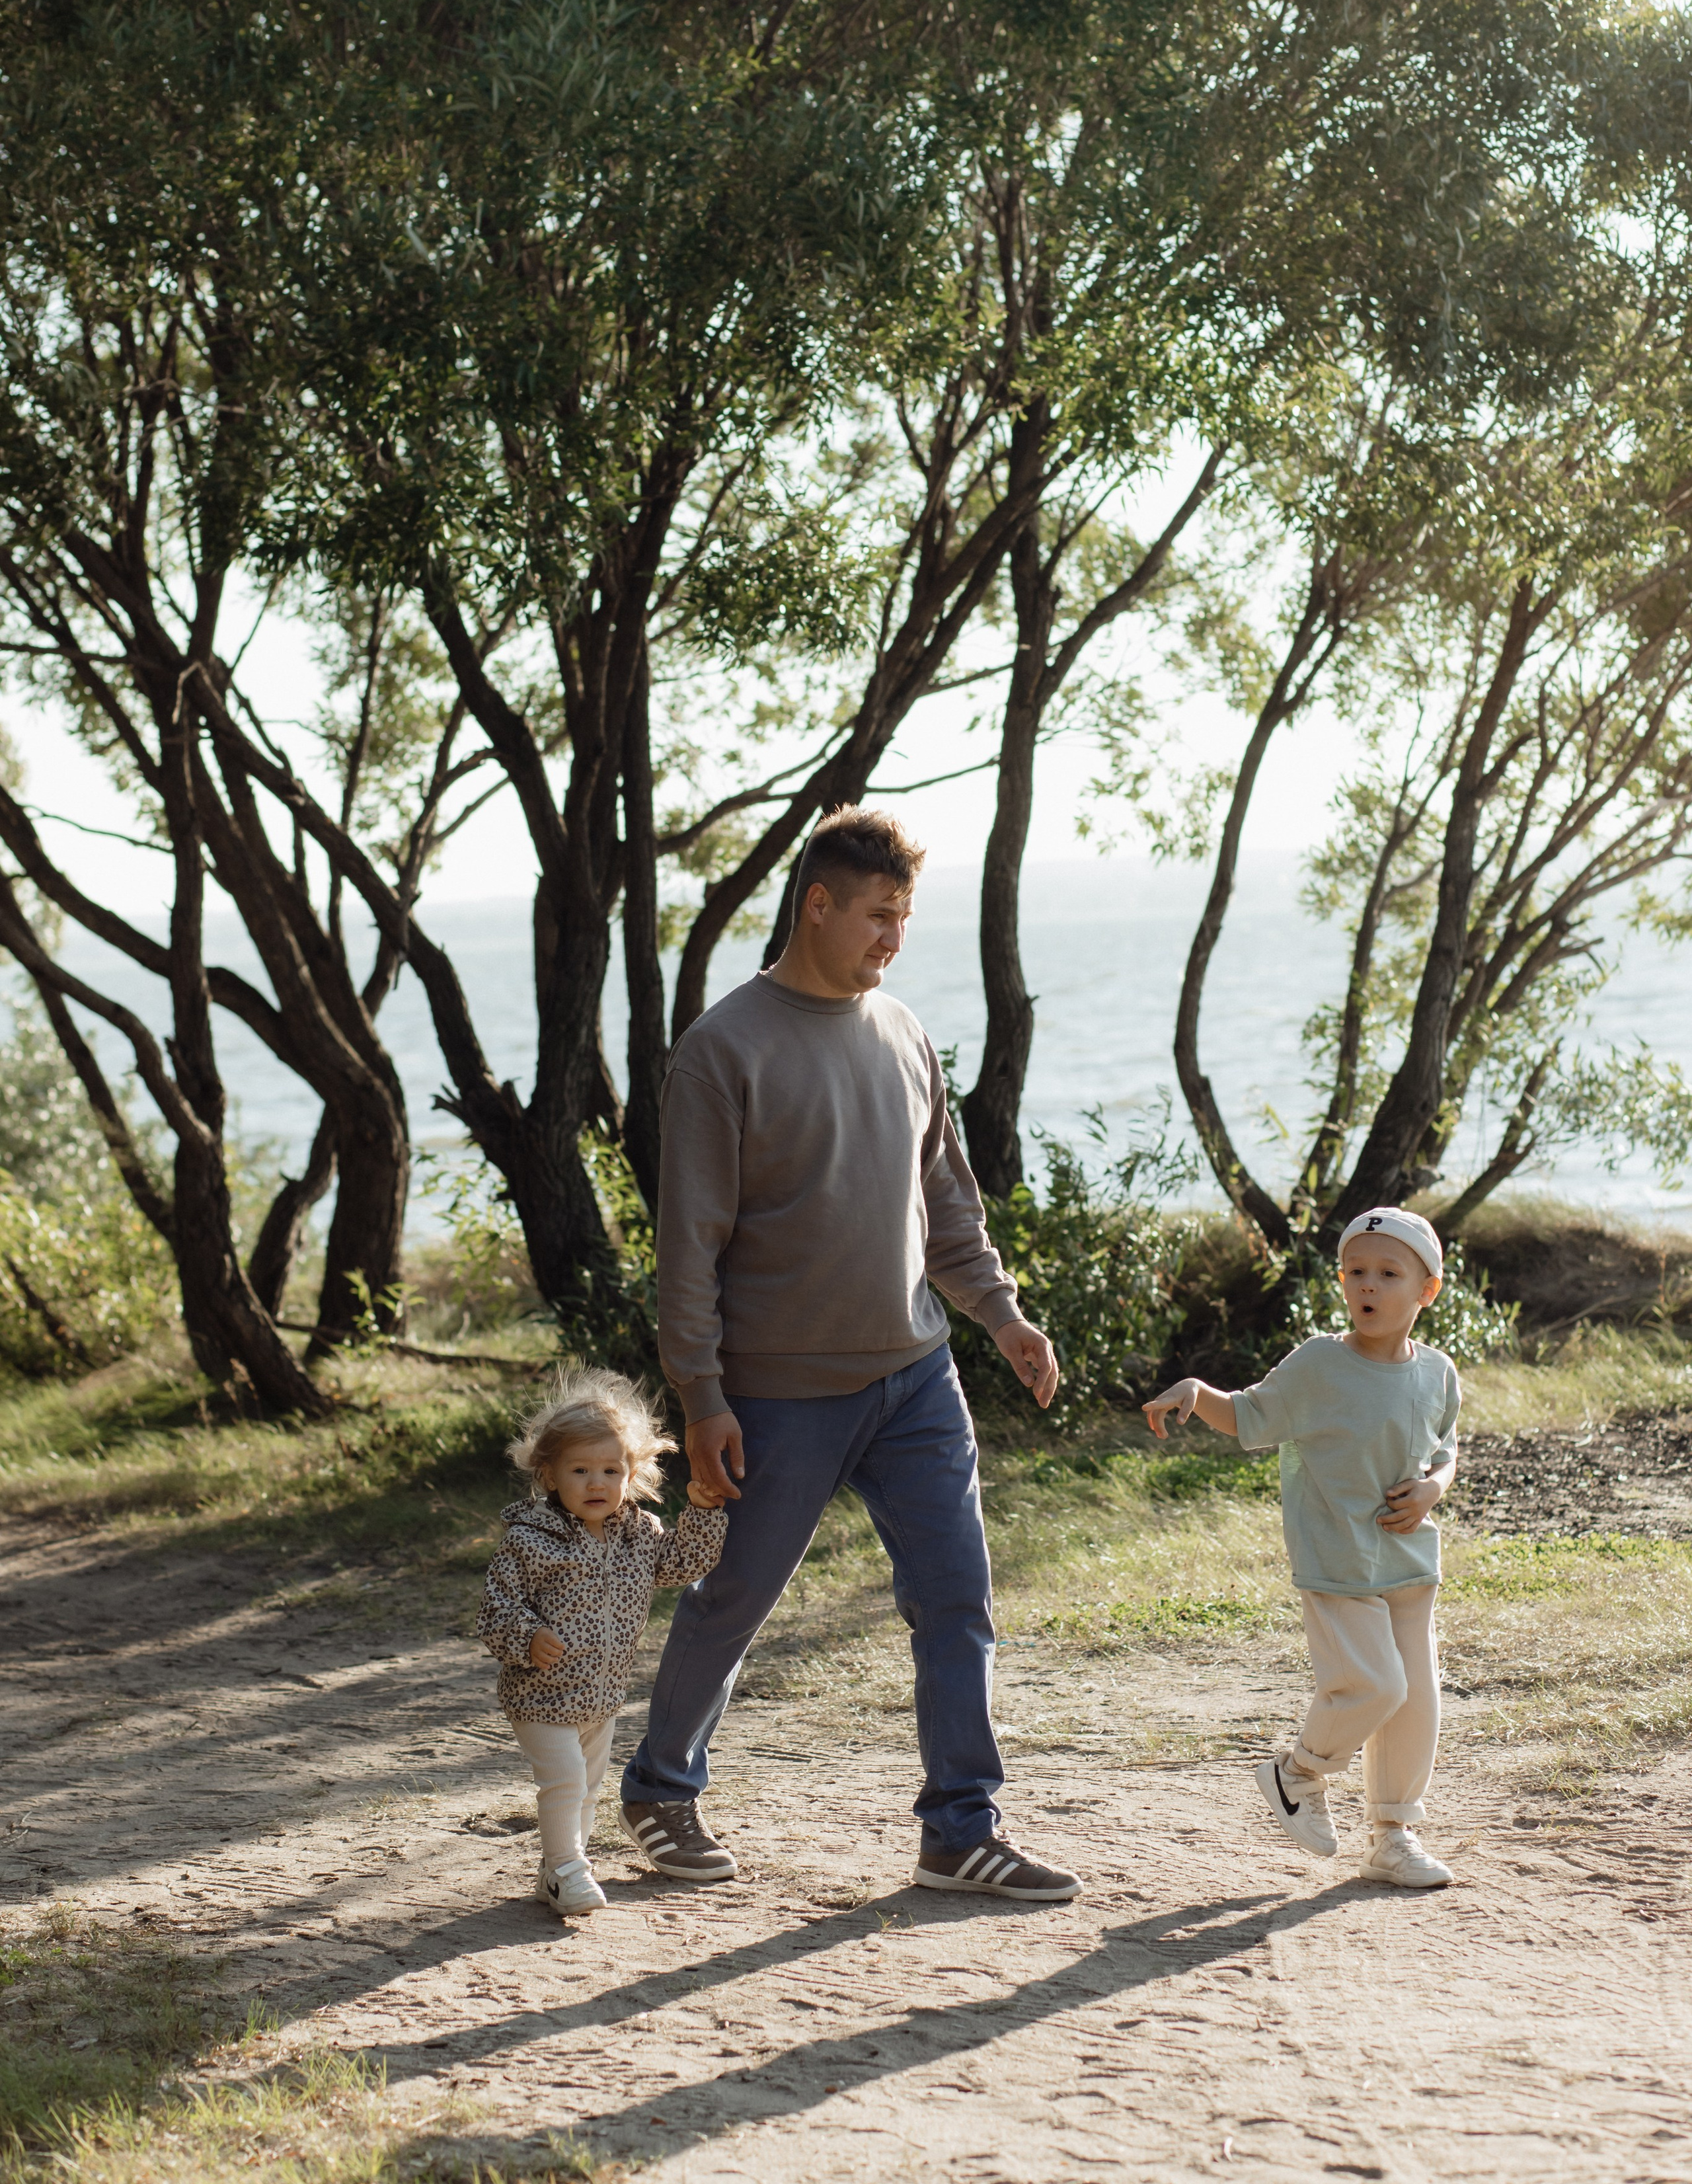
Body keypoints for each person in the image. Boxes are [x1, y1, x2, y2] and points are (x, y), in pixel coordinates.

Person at [619, 806, 1081, 1902]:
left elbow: (948, 1209)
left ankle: (960, 1830)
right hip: (780, 1396)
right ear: (817, 906)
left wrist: (1003, 1319)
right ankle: (660, 1788)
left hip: (917, 1378)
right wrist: (703, 1397)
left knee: (956, 1600)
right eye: (878, 916)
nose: (892, 940)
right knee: (732, 1601)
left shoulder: (904, 1032)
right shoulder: (724, 1050)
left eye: (904, 919)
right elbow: (690, 1247)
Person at [1141, 1207, 1459, 1892]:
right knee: (1374, 1686)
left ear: (1426, 1290)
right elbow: (1251, 1417)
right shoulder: (1320, 1362)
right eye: (1354, 1272)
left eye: (1386, 1273)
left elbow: (1444, 1451)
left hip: (1410, 1563)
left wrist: (1433, 1487)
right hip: (1339, 1560)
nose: (1366, 1286)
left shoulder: (1438, 1372)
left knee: (1414, 1703)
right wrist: (1198, 1394)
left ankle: (1393, 1837)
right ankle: (1298, 1774)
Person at [477, 1368, 726, 1916]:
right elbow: (495, 1610)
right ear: (549, 1475)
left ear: (631, 1474)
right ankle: (568, 1870)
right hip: (541, 1696)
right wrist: (528, 1636)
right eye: (581, 1470)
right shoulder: (529, 1541)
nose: (597, 1483)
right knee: (563, 1781)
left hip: (602, 1696)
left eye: (611, 1470)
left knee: (588, 1788)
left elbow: (682, 1564)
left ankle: (560, 1869)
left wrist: (705, 1512)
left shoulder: (639, 1534)